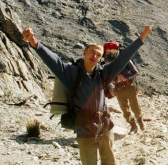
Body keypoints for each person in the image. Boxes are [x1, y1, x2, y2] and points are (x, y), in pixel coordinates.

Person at [22, 26, 152, 165]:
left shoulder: (104, 73)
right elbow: (53, 60)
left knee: (109, 162)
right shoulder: (70, 73)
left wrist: (141, 37)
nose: (94, 56)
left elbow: (124, 58)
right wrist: (34, 42)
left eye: (98, 55)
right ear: (84, 53)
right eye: (92, 52)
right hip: (84, 129)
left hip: (105, 127)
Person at [103, 42, 144, 134]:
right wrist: (116, 80)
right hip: (118, 88)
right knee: (125, 110)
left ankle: (140, 121)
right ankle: (133, 126)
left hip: (129, 86)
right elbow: (105, 77)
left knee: (135, 107)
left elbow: (136, 72)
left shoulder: (125, 59)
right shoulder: (107, 62)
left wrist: (125, 77)